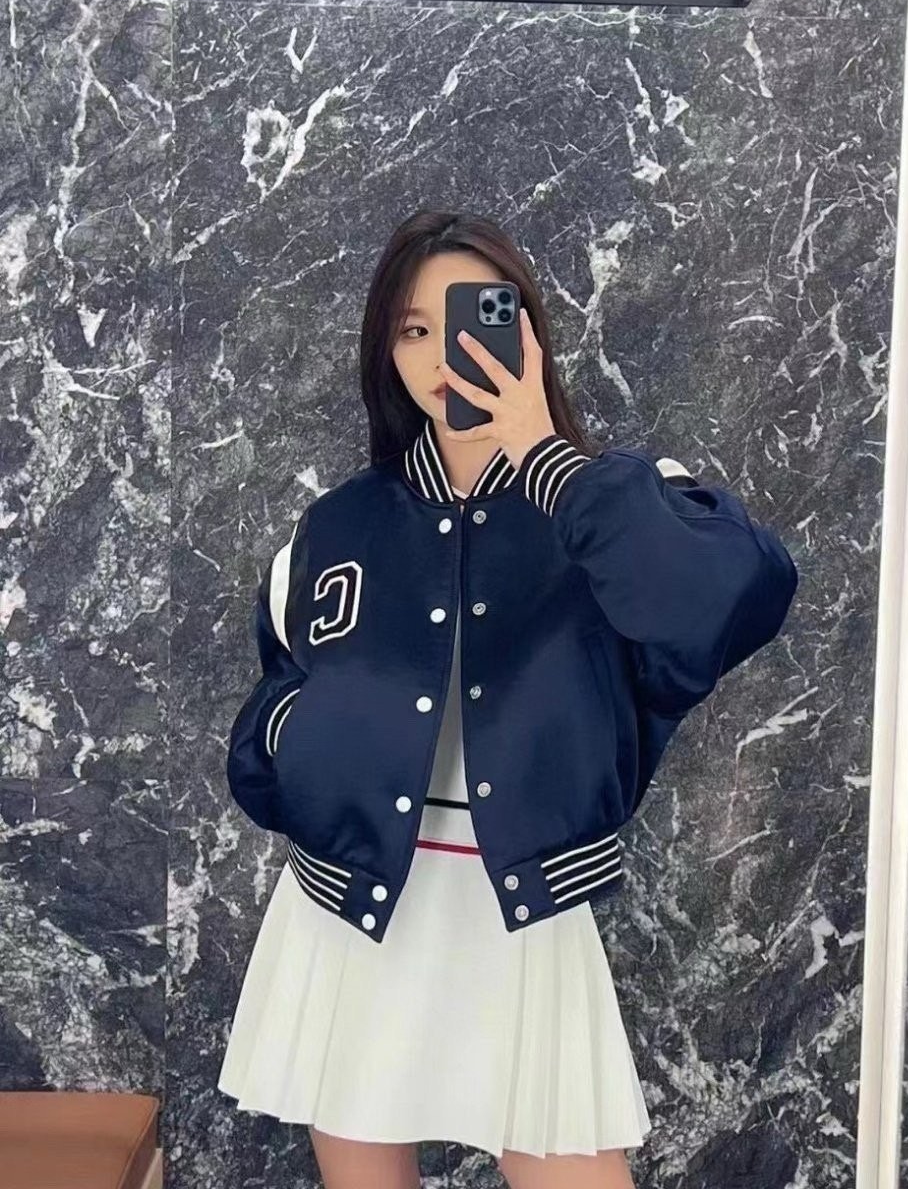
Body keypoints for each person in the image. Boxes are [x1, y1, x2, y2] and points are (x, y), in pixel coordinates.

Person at [216, 209, 798, 1189]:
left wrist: (540, 451)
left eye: (467, 318)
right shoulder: (337, 527)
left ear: (522, 329)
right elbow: (274, 700)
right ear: (386, 351)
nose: (441, 353)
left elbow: (728, 598)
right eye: (411, 328)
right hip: (345, 911)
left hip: (521, 911)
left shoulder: (615, 504)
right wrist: (298, 735)